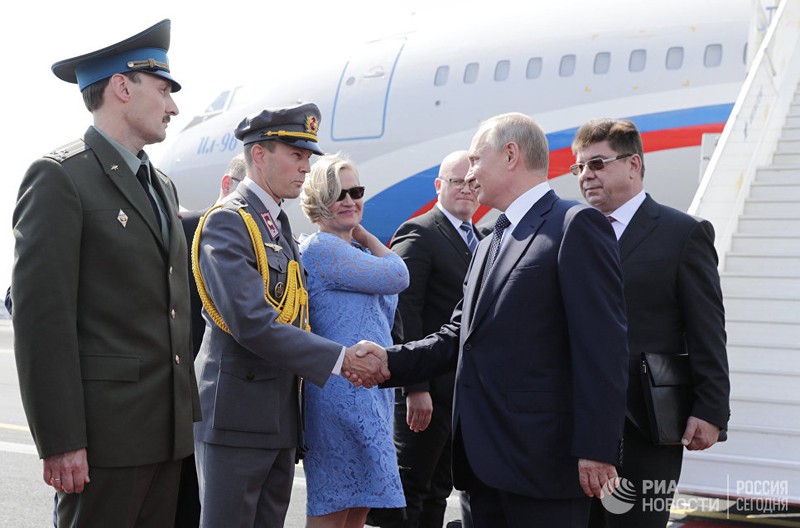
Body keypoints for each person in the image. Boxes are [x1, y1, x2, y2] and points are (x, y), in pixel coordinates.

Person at [351, 112, 630, 528]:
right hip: (482, 468)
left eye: (476, 160)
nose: (470, 173)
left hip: (544, 466)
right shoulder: (488, 242)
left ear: (511, 155)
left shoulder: (574, 225)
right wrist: (389, 361)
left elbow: (602, 346)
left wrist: (597, 447)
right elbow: (458, 336)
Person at [11, 19, 201, 527]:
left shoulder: (161, 184)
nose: (173, 107)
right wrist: (61, 440)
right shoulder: (60, 177)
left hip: (169, 435)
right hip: (105, 441)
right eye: (163, 90)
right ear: (122, 87)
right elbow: (42, 322)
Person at [191, 103, 388, 528]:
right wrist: (341, 358)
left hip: (278, 419)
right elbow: (252, 322)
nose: (305, 167)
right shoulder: (229, 221)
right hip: (237, 420)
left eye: (307, 157)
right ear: (259, 155)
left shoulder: (275, 223)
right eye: (296, 155)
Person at [570, 118, 730, 528]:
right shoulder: (572, 233)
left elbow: (707, 328)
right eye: (579, 167)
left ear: (634, 164)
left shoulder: (682, 233)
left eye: (597, 163)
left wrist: (710, 409)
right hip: (574, 422)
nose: (586, 175)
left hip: (645, 422)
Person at [299, 153, 409, 527]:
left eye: (356, 192)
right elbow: (399, 275)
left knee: (359, 509)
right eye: (338, 194)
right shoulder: (322, 248)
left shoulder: (356, 252)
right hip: (338, 394)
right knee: (334, 510)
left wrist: (361, 239)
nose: (349, 201)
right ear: (318, 200)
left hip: (372, 394)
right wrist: (366, 234)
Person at [374, 150, 481, 528]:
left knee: (440, 489)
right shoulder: (420, 231)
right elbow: (404, 310)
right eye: (456, 181)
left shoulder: (481, 238)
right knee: (409, 490)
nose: (466, 189)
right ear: (439, 185)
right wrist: (415, 388)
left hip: (460, 393)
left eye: (472, 182)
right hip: (427, 391)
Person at [174, 151, 246, 528]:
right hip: (172, 401)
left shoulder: (264, 245)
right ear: (227, 184)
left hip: (219, 408)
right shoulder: (183, 229)